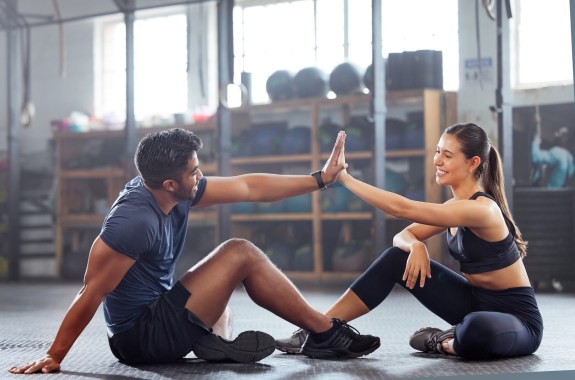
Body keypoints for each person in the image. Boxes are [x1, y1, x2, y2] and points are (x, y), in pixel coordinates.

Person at [9, 128, 380, 375]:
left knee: (222, 302)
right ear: (170, 183)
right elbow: (90, 291)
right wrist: (54, 355)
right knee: (240, 252)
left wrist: (319, 179)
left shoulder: (173, 188)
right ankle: (324, 332)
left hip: (159, 314)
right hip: (140, 338)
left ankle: (212, 342)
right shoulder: (133, 221)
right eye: (195, 172)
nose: (201, 176)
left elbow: (248, 188)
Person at [276, 123, 543, 360]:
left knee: (477, 328)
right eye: (438, 151)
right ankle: (319, 329)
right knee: (396, 257)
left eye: (447, 155)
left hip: (517, 320)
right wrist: (416, 245)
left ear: (473, 163)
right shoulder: (453, 206)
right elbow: (402, 234)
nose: (437, 161)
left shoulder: (482, 210)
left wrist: (344, 178)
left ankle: (443, 342)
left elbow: (400, 208)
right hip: (473, 301)